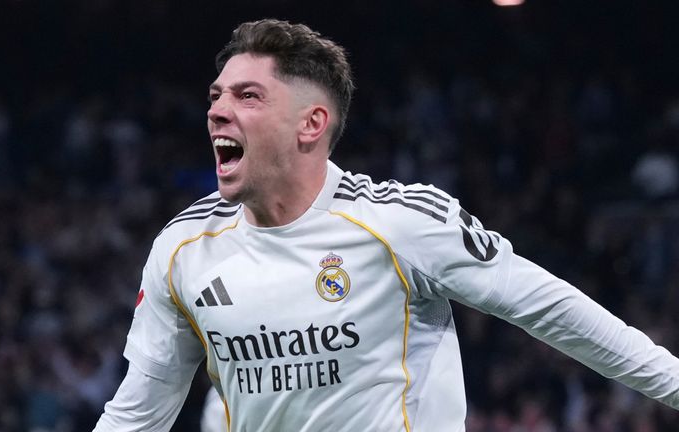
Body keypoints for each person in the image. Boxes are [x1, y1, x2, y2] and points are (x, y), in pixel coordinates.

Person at [93, 19, 679, 431]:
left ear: (311, 124)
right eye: (216, 95)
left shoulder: (399, 223)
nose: (217, 109)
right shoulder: (182, 249)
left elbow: (551, 309)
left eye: (248, 96)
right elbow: (139, 412)